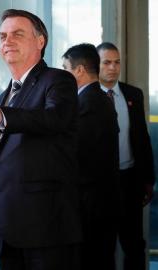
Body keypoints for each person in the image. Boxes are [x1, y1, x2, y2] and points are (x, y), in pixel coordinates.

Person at [0, 9, 82, 270]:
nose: (8, 41)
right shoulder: (0, 99)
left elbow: (55, 119)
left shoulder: (58, 80)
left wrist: (0, 116)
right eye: (2, 36)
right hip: (8, 234)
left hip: (47, 230)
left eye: (18, 34)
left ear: (40, 41)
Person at [97, 42, 155, 270]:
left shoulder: (133, 94)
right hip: (101, 185)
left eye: (117, 62)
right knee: (103, 245)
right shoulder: (86, 97)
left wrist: (148, 179)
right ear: (97, 65)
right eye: (107, 62)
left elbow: (142, 139)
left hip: (130, 179)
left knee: (133, 244)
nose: (113, 67)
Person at [62, 43, 120, 270]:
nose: (64, 73)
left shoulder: (89, 103)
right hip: (98, 204)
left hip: (93, 207)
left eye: (66, 68)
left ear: (79, 70)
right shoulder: (96, 99)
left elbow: (77, 153)